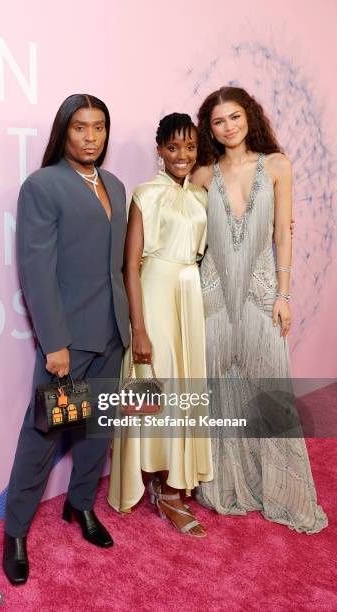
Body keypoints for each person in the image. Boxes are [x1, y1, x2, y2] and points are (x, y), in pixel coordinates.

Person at [3, 94, 130, 585]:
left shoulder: (116, 186)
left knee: (98, 432)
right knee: (43, 435)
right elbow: (36, 270)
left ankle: (80, 507)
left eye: (99, 127)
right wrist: (54, 342)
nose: (91, 136)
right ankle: (15, 532)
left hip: (111, 336)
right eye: (80, 127)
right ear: (65, 131)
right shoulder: (43, 185)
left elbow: (119, 267)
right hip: (69, 343)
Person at [191, 86, 328, 533]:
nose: (228, 127)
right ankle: (225, 484)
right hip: (211, 296)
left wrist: (284, 295)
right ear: (208, 129)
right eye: (218, 121)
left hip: (262, 293)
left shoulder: (276, 166)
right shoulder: (203, 175)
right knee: (218, 396)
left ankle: (281, 493)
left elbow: (284, 235)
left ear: (249, 116)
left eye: (234, 117)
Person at [108, 113, 213, 537]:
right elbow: (130, 267)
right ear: (160, 150)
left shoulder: (202, 197)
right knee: (156, 386)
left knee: (185, 389)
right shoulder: (145, 194)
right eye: (173, 147)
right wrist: (139, 328)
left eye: (189, 147)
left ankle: (172, 485)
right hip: (154, 294)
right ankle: (158, 487)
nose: (182, 155)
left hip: (189, 296)